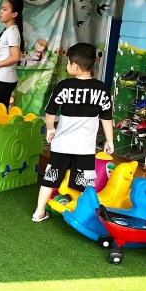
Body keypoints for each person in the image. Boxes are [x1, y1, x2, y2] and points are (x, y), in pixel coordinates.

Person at [32, 42, 114, 222]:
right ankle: (82, 216)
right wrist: (109, 140)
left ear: (75, 66)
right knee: (85, 185)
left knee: (50, 178)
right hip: (85, 148)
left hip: (61, 145)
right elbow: (106, 117)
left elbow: (50, 112)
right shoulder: (102, 89)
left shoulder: (63, 86)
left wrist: (50, 129)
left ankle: (39, 212)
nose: (67, 65)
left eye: (68, 62)